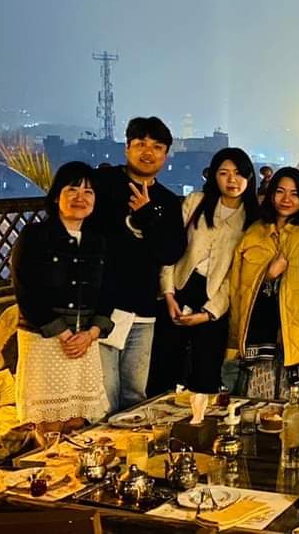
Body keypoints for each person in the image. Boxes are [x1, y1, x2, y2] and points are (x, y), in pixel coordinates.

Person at [88, 117, 186, 413]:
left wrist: (147, 216)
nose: (148, 152)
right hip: (102, 309)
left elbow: (170, 252)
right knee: (103, 395)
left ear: (165, 155)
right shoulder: (102, 186)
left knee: (135, 395)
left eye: (157, 147)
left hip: (143, 310)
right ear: (127, 147)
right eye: (141, 144)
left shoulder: (168, 201)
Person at [13, 162, 112, 445]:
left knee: (78, 421)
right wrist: (64, 334)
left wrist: (92, 333)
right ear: (57, 196)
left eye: (88, 192)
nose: (81, 197)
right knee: (49, 424)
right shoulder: (35, 236)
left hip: (85, 341)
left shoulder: (98, 241)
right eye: (72, 189)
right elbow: (26, 291)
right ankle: (48, 467)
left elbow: (109, 292)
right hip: (45, 340)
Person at [147, 148, 259, 396]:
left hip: (215, 296)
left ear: (249, 177)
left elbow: (237, 275)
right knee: (164, 369)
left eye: (239, 173)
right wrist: (168, 294)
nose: (232, 180)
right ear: (213, 176)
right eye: (224, 173)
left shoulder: (253, 217)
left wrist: (210, 313)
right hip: (179, 287)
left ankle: (200, 420)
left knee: (205, 375)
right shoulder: (196, 202)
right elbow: (173, 250)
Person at [229, 167, 299, 399]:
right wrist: (268, 275)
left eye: (294, 193)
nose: (286, 199)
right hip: (259, 328)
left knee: (294, 404)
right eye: (280, 192)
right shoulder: (254, 232)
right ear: (271, 195)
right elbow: (237, 285)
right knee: (257, 403)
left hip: (297, 326)